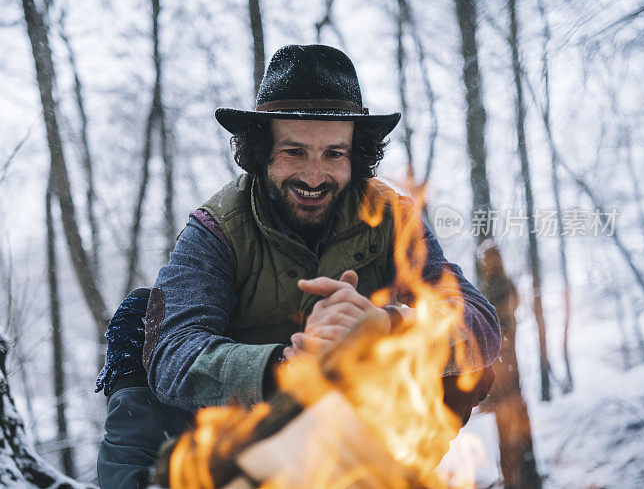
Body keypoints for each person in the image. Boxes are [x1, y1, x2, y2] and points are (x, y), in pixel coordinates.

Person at [96, 44, 501, 488]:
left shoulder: (393, 217)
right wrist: (283, 367)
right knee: (140, 320)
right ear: (262, 151)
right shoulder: (216, 229)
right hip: (237, 434)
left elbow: (479, 323)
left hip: (353, 429)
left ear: (356, 155)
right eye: (293, 151)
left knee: (466, 361)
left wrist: (388, 327)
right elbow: (174, 355)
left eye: (333, 154)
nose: (313, 175)